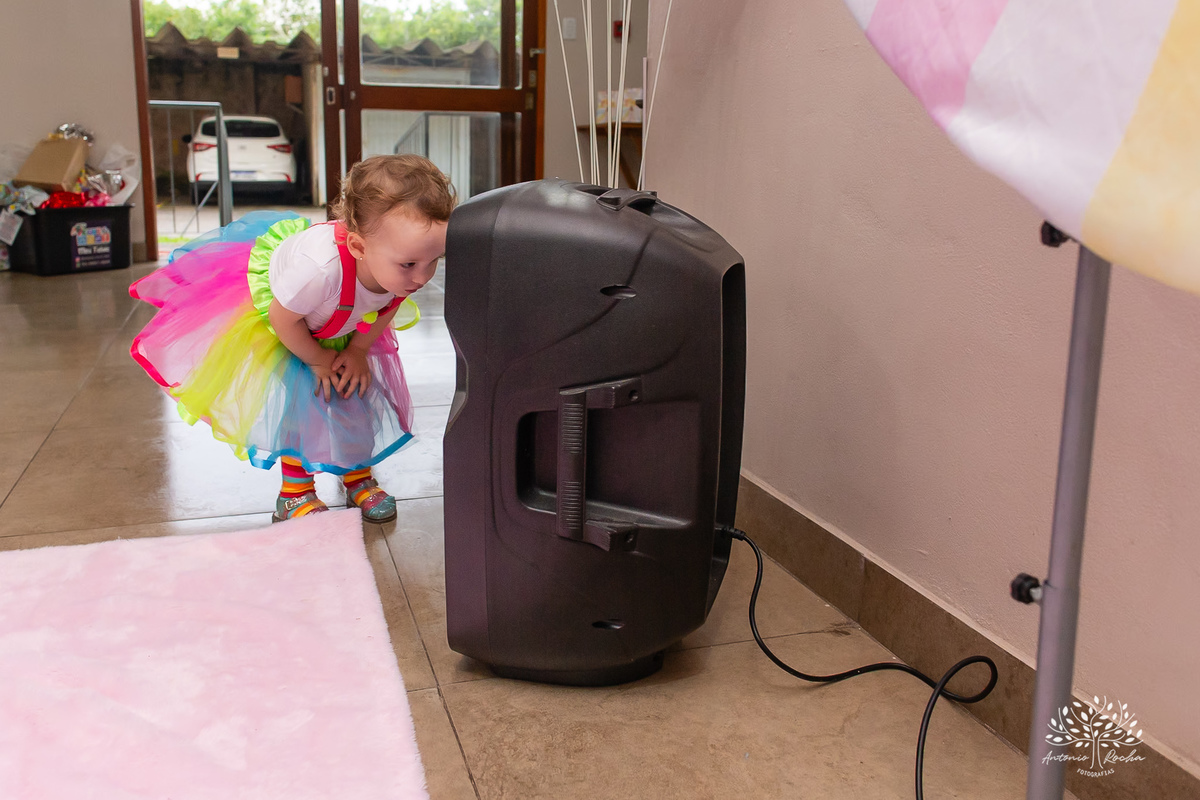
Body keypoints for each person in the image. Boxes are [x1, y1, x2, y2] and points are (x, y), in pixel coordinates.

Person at [129, 154, 454, 523]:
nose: (422, 277)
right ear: (359, 248)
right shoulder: (318, 271)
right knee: (304, 407)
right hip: (287, 327)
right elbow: (282, 318)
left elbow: (387, 306)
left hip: (336, 323)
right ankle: (294, 495)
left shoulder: (397, 269)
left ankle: (357, 477)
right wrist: (317, 359)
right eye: (410, 264)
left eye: (434, 261)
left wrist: (359, 349)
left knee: (355, 396)